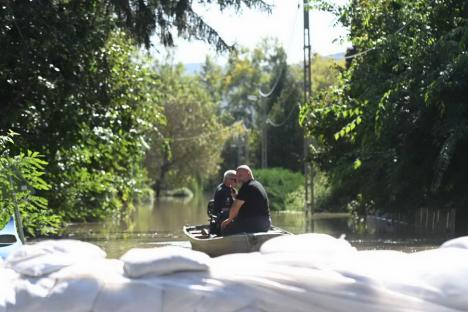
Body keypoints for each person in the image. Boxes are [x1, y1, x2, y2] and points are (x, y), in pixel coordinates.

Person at [220, 165, 271, 235]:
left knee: (225, 228)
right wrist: (236, 196)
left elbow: (235, 207)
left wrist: (228, 220)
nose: (238, 178)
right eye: (237, 176)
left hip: (253, 225)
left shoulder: (247, 187)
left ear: (248, 173)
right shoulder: (257, 184)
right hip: (266, 224)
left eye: (240, 175)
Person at [209, 170, 237, 235]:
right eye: (235, 180)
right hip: (221, 217)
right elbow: (225, 209)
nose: (237, 182)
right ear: (228, 180)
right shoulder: (222, 191)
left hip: (224, 215)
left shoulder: (230, 188)